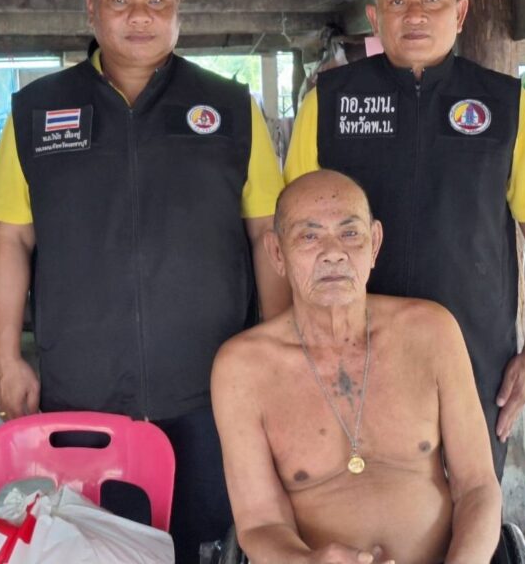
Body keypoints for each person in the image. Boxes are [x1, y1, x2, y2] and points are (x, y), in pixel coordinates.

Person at [0, 0, 288, 562]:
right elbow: (12, 237)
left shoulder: (230, 109)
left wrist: (283, 347)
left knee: (207, 540)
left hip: (212, 387)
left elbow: (268, 235)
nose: (140, 16)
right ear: (91, 8)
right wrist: (4, 356)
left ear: (178, 9)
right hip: (83, 388)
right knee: (93, 545)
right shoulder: (37, 112)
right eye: (121, 0)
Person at [284, 0, 525, 478]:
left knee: (467, 494)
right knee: (356, 495)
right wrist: (291, 341)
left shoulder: (507, 106)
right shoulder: (330, 103)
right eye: (397, 1)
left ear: (459, 13)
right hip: (349, 346)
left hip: (474, 350)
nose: (414, 15)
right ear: (375, 18)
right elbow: (295, 235)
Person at [212, 170, 502, 564]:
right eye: (309, 236)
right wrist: (309, 562)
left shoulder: (431, 331)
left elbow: (478, 487)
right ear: (277, 253)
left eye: (350, 233)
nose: (333, 252)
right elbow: (260, 523)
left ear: (374, 243)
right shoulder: (243, 369)